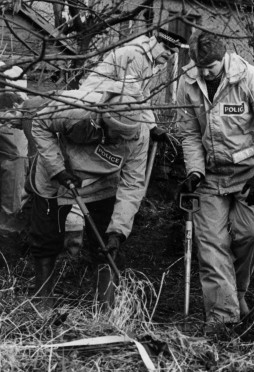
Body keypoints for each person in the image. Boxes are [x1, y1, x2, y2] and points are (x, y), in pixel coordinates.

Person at [176, 32, 254, 334]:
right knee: (212, 247)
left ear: (224, 57)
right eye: (199, 65)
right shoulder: (186, 83)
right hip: (210, 176)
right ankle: (223, 321)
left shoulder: (252, 79)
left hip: (249, 172)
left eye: (210, 66)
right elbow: (189, 134)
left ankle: (238, 292)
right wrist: (194, 171)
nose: (204, 72)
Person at [30, 91, 149, 310]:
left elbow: (132, 185)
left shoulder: (140, 135)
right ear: (104, 121)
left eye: (127, 136)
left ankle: (105, 310)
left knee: (105, 243)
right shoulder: (75, 111)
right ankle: (43, 304)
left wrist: (118, 231)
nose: (122, 139)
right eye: (118, 134)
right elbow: (39, 123)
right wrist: (58, 170)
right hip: (58, 175)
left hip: (102, 182)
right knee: (46, 238)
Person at [79, 28, 187, 149]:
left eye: (172, 52)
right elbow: (133, 94)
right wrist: (151, 127)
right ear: (154, 41)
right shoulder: (136, 54)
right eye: (166, 48)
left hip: (108, 101)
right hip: (91, 101)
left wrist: (153, 126)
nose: (169, 54)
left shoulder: (151, 61)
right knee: (136, 132)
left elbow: (144, 95)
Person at [0, 64, 29, 238]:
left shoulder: (13, 71)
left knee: (16, 160)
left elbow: (17, 102)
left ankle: (8, 226)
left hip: (11, 124)